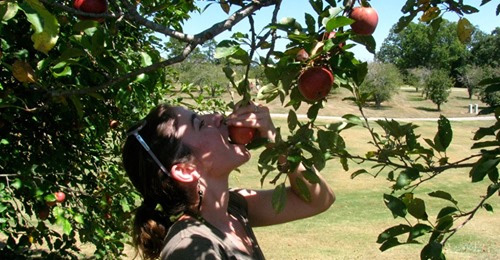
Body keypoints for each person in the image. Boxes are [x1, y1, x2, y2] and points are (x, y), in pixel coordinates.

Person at [122, 102, 335, 259]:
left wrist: (276, 142)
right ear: (186, 170)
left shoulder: (233, 208)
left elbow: (318, 200)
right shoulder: (190, 248)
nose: (216, 116)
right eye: (199, 124)